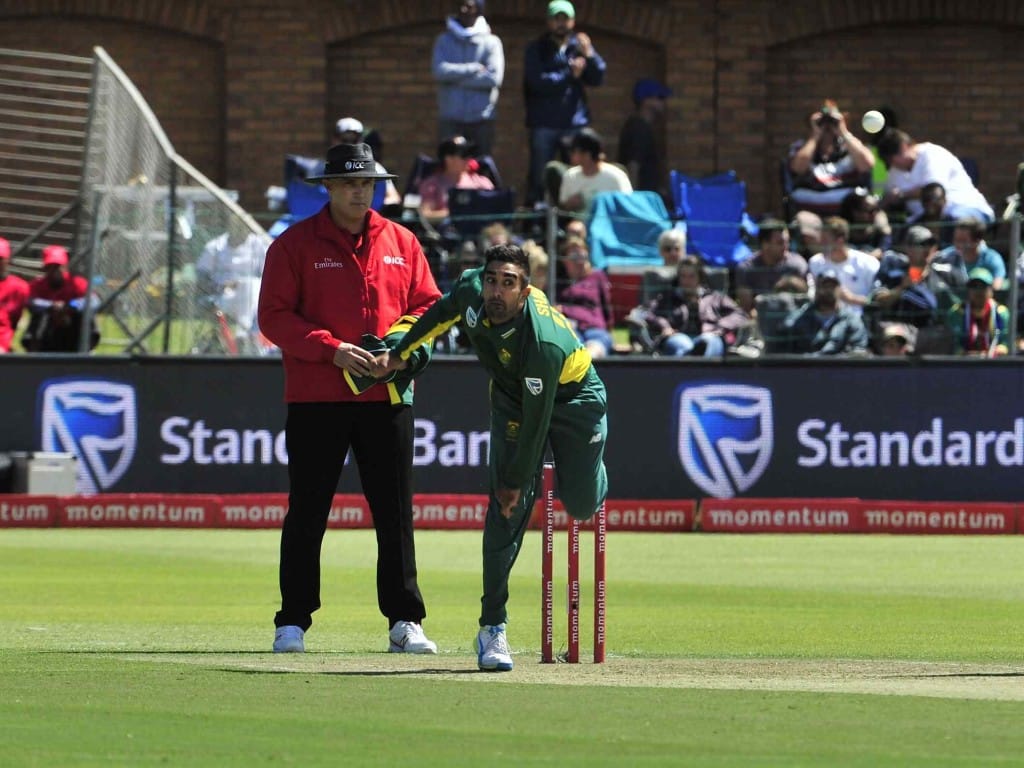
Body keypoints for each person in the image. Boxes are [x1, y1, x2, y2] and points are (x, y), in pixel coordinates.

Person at [376, 243, 608, 672]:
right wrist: (400, 352)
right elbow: (437, 315)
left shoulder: (542, 343)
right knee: (505, 511)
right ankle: (492, 628)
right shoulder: (471, 290)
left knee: (580, 505)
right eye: (492, 280)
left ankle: (592, 474)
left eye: (509, 284)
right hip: (510, 397)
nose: (496, 292)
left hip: (574, 398)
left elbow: (537, 430)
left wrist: (517, 478)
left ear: (525, 291)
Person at [256, 143, 442, 656]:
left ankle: (405, 619)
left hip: (387, 397)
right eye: (350, 183)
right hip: (317, 396)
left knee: (395, 512)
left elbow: (428, 307)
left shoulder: (403, 241)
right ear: (330, 188)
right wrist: (332, 350)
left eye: (368, 183)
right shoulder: (293, 245)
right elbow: (273, 317)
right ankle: (292, 620)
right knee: (308, 511)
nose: (361, 191)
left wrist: (398, 351)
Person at [523, 0, 606, 206]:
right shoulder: (537, 49)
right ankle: (537, 223)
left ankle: (570, 220)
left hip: (574, 123)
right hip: (544, 123)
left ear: (573, 21)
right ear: (548, 21)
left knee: (577, 173)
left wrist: (591, 55)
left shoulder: (578, 48)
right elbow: (538, 83)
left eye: (565, 19)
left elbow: (597, 78)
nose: (561, 23)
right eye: (556, 19)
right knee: (540, 176)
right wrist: (570, 74)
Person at [628, 254, 750, 357]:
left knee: (708, 342)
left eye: (691, 276)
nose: (686, 281)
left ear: (700, 277)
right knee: (681, 343)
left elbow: (740, 314)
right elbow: (645, 313)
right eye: (683, 276)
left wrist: (719, 327)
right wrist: (665, 326)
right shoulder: (667, 297)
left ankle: (693, 359)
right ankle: (693, 358)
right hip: (678, 335)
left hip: (709, 335)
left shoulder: (715, 298)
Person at [876, 128, 995, 225]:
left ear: (904, 147)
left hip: (965, 209)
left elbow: (933, 191)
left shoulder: (932, 154)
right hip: (924, 221)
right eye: (889, 161)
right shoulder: (894, 170)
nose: (893, 163)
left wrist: (902, 195)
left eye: (893, 158)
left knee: (952, 222)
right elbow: (889, 198)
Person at [431, 0, 504, 155]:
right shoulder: (443, 41)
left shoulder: (491, 42)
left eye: (469, 6)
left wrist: (454, 79)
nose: (464, 10)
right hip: (450, 118)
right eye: (461, 5)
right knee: (448, 166)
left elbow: (492, 79)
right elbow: (439, 71)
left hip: (481, 119)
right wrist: (474, 68)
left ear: (478, 10)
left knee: (481, 167)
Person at [786, 99, 875, 217]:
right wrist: (815, 136)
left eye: (832, 121)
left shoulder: (851, 146)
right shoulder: (801, 147)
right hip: (809, 213)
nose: (827, 126)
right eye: (822, 121)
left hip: (848, 213)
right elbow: (798, 168)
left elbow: (867, 165)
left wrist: (843, 132)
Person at [196, 228, 271, 346]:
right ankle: (246, 336)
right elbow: (202, 277)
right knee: (251, 289)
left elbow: (271, 274)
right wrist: (221, 287)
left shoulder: (259, 245)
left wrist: (240, 283)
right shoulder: (216, 246)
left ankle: (247, 337)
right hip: (222, 296)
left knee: (251, 285)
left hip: (255, 297)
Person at [778, 267, 870, 356]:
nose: (828, 291)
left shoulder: (851, 319)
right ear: (816, 289)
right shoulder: (798, 318)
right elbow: (785, 350)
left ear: (839, 290)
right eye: (824, 286)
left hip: (840, 369)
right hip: (805, 368)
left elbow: (858, 349)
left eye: (832, 286)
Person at [23, 244, 93, 353]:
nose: (55, 271)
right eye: (51, 266)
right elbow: (30, 301)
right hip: (48, 332)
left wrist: (70, 306)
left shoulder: (77, 283)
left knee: (85, 315)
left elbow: (94, 301)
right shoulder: (37, 285)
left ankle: (84, 351)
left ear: (65, 267)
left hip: (72, 330)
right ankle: (35, 356)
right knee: (41, 317)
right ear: (45, 268)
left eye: (58, 266)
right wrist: (51, 306)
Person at [734, 218, 809, 314]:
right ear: (765, 244)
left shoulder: (797, 265)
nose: (786, 246)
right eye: (780, 243)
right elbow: (746, 309)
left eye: (787, 241)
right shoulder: (746, 269)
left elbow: (805, 302)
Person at [806, 216, 879, 315]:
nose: (821, 244)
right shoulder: (815, 263)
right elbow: (811, 296)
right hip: (825, 321)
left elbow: (877, 302)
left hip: (861, 321)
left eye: (825, 240)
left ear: (840, 241)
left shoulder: (868, 263)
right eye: (821, 240)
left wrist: (851, 299)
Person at [555, 236, 614, 358]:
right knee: (570, 350)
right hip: (570, 330)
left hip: (595, 329)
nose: (580, 262)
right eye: (575, 258)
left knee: (592, 353)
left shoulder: (597, 276)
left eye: (583, 257)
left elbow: (607, 307)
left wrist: (609, 330)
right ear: (565, 260)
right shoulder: (559, 283)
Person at [418, 135, 495, 224]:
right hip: (447, 234)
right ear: (448, 159)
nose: (469, 159)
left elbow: (495, 209)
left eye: (469, 155)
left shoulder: (482, 182)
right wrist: (456, 213)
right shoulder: (432, 185)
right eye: (464, 155)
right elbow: (426, 215)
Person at [557, 128, 632, 214]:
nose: (570, 154)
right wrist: (570, 204)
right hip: (579, 222)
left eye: (574, 151)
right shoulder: (570, 176)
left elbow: (627, 205)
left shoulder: (617, 176)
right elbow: (562, 209)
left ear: (587, 155)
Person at [618, 77, 671, 200]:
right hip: (641, 198)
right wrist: (633, 200)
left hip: (647, 196)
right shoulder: (638, 128)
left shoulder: (642, 126)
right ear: (646, 101)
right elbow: (633, 165)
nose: (664, 103)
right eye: (660, 98)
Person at [331, 117, 402, 209]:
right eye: (344, 140)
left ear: (361, 141)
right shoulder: (323, 169)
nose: (349, 145)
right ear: (334, 140)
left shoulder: (375, 168)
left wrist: (372, 207)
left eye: (354, 141)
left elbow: (393, 197)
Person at [948, 267, 1010, 357]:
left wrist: (995, 351)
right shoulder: (956, 312)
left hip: (995, 364)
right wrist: (965, 354)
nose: (978, 291)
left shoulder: (1002, 313)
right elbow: (953, 344)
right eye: (974, 286)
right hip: (963, 364)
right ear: (968, 290)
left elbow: (1006, 342)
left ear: (991, 290)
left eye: (983, 286)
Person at [933, 217, 1006, 290]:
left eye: (962, 241)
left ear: (977, 241)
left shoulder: (992, 259)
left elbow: (996, 287)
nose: (957, 244)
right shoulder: (945, 256)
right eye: (956, 239)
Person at [898, 182, 956, 249]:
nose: (929, 202)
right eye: (926, 199)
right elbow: (902, 248)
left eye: (934, 198)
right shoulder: (913, 225)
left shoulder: (953, 224)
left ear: (944, 200)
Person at [838, 187, 891, 258]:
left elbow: (885, 246)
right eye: (870, 210)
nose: (875, 214)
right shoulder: (841, 229)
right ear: (855, 212)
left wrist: (885, 229)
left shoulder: (879, 225)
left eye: (876, 209)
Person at [0, 236, 29, 353]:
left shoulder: (20, 287)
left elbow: (24, 321)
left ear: (7, 260)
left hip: (7, 342)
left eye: (0, 259)